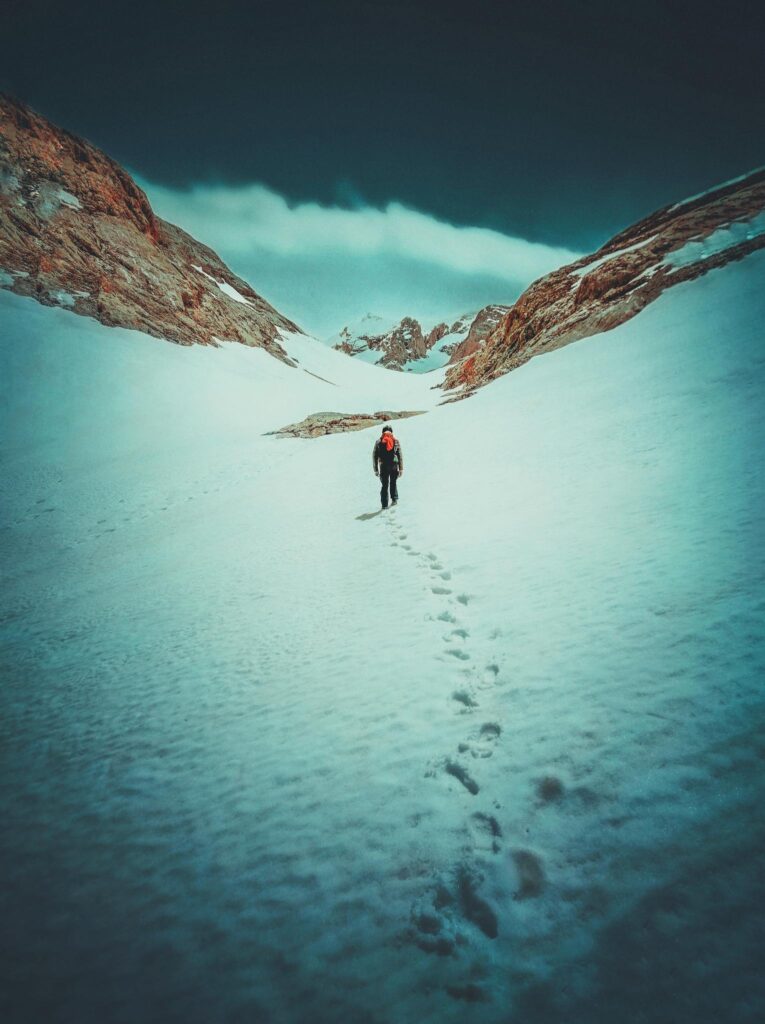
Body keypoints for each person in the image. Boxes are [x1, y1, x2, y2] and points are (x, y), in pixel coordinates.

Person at [373, 425, 404, 509]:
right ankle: (394, 499)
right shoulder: (396, 441)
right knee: (393, 482)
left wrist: (376, 469)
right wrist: (401, 468)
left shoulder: (378, 441)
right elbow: (399, 455)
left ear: (382, 432)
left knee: (384, 485)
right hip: (394, 465)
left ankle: (384, 505)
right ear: (391, 432)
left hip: (383, 466)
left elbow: (374, 456)